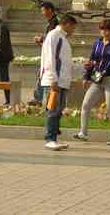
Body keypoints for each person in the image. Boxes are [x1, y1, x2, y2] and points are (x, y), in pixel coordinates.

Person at [75, 19, 110, 146]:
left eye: (108, 29)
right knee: (86, 104)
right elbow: (92, 60)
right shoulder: (97, 43)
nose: (106, 32)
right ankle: (83, 133)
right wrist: (86, 76)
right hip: (97, 78)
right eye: (103, 29)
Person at [40, 14, 76, 151]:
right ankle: (50, 139)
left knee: (58, 111)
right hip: (55, 81)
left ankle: (54, 137)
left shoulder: (62, 38)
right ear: (67, 24)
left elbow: (65, 61)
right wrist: (53, 79)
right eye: (73, 27)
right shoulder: (54, 35)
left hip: (62, 81)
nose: (73, 31)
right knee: (53, 110)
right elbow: (50, 58)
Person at [30, 1, 59, 105]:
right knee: (42, 75)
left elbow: (52, 38)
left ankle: (40, 99)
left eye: (43, 10)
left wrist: (41, 39)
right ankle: (40, 98)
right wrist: (41, 40)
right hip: (49, 54)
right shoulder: (52, 22)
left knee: (43, 75)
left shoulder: (55, 22)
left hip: (51, 55)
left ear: (49, 10)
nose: (42, 13)